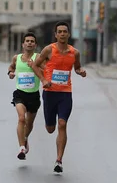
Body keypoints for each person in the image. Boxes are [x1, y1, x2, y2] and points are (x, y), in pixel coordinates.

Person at [32, 22, 86, 173]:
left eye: (65, 32)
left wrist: (81, 71)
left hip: (65, 93)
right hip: (49, 93)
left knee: (62, 124)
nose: (62, 34)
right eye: (59, 32)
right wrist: (43, 80)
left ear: (69, 34)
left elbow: (77, 67)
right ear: (56, 35)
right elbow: (35, 65)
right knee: (50, 128)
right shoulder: (49, 50)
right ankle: (50, 126)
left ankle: (59, 160)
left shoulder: (74, 53)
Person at [8, 32, 41, 160]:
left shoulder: (38, 58)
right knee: (21, 118)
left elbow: (45, 70)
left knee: (29, 123)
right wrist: (10, 73)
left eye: (32, 41)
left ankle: (25, 137)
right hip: (20, 94)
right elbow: (11, 67)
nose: (29, 43)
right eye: (27, 41)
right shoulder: (17, 58)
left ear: (35, 45)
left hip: (33, 95)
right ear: (23, 44)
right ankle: (21, 147)